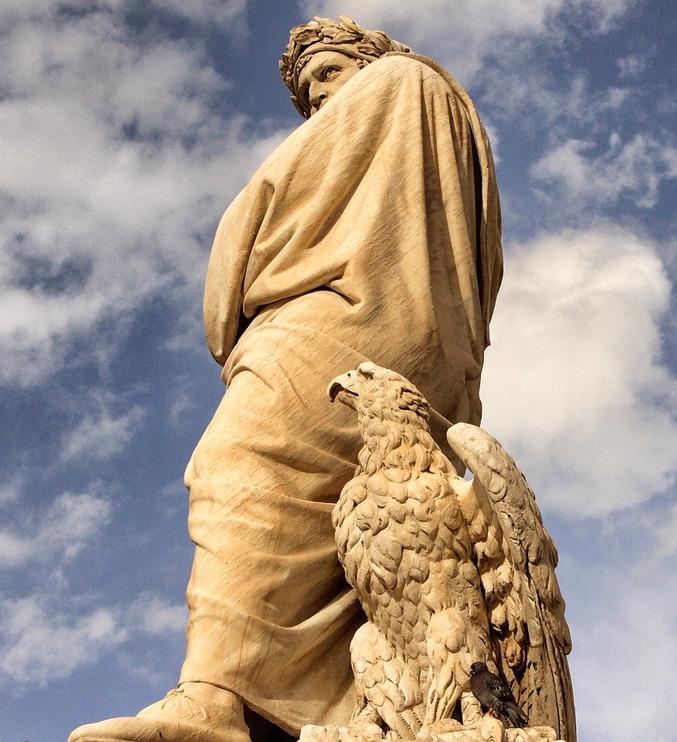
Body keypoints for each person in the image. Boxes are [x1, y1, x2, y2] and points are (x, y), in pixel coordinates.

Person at [69, 15, 502, 742]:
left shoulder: (403, 80)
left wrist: (234, 273)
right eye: (308, 96)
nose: (321, 103)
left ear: (371, 59)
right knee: (344, 530)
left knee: (240, 462)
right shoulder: (428, 119)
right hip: (398, 335)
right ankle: (318, 708)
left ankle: (214, 699)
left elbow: (266, 201)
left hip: (352, 314)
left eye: (328, 76)